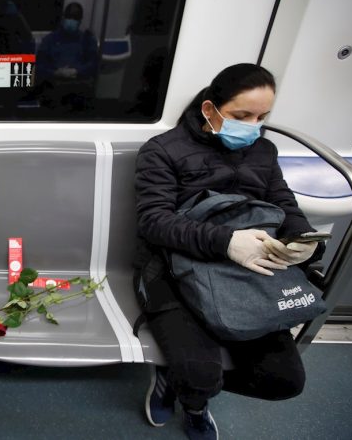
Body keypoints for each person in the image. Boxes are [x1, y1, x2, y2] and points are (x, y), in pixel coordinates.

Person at [134, 63, 322, 440]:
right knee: (200, 373)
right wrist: (226, 241)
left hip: (247, 272)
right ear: (210, 109)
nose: (253, 126)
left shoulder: (264, 151)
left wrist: (303, 241)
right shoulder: (164, 151)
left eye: (262, 117)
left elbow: (283, 204)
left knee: (284, 381)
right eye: (242, 116)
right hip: (175, 269)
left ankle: (188, 387)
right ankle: (194, 399)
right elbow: (154, 222)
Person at [35, 2, 98, 110]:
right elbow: (39, 66)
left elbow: (94, 64)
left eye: (75, 17)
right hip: (54, 85)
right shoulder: (50, 40)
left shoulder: (87, 40)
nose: (71, 20)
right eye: (69, 17)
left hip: (79, 86)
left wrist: (77, 71)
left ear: (80, 20)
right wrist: (56, 72)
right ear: (63, 17)